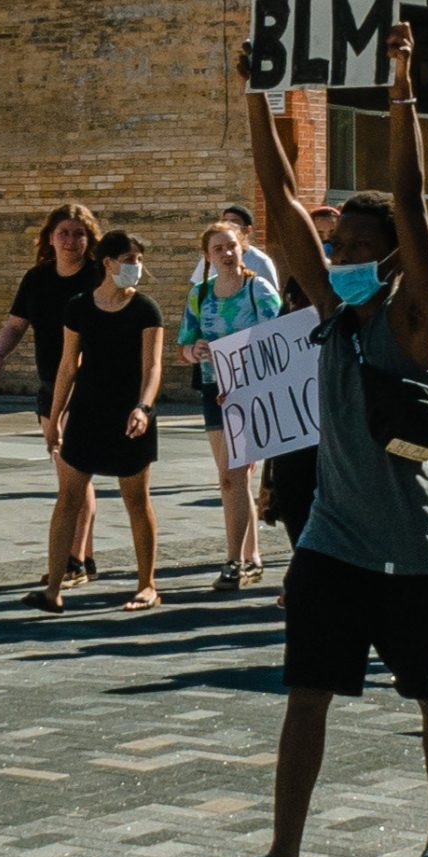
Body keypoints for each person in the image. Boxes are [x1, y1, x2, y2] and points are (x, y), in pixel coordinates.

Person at [224, 21, 428, 857]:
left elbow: (410, 200)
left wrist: (402, 84)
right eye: (342, 247)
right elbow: (281, 201)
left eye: (363, 246)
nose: (345, 256)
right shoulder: (329, 309)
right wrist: (257, 90)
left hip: (413, 549)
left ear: (395, 255)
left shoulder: (414, 317)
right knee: (306, 696)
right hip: (331, 540)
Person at [34, 230, 164, 613]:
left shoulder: (146, 309)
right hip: (89, 410)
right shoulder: (79, 307)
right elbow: (66, 366)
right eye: (129, 259)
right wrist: (54, 417)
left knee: (136, 499)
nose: (136, 267)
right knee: (68, 499)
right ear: (108, 264)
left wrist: (144, 407)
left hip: (130, 413)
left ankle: (147, 585)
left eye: (139, 260)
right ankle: (53, 588)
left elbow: (153, 367)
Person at [0, 204, 104, 579]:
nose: (71, 241)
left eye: (79, 233)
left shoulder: (99, 277)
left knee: (73, 476)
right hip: (50, 385)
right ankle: (85, 554)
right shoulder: (36, 279)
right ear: (50, 238)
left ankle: (74, 561)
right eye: (64, 233)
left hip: (90, 386)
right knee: (69, 475)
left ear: (90, 239)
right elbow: (16, 324)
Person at [180, 220, 283, 592]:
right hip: (213, 389)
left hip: (250, 393)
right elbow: (185, 344)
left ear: (243, 249)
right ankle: (252, 557)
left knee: (232, 478)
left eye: (231, 247)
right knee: (233, 480)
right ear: (207, 256)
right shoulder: (200, 295)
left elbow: (278, 343)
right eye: (217, 249)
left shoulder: (259, 290)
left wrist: (244, 373)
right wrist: (194, 351)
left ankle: (234, 561)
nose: (225, 254)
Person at [190, 203, 279, 296]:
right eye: (224, 221)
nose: (228, 226)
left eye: (234, 222)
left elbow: (272, 297)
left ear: (248, 230)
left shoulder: (261, 262)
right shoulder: (211, 257)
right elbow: (196, 291)